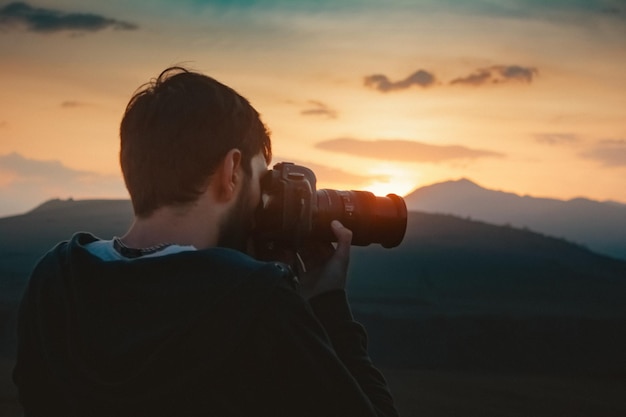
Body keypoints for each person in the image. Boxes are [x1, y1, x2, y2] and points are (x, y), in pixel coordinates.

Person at [13, 67, 399, 416]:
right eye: (260, 180)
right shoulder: (257, 301)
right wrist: (328, 305)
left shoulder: (56, 279)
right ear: (231, 170)